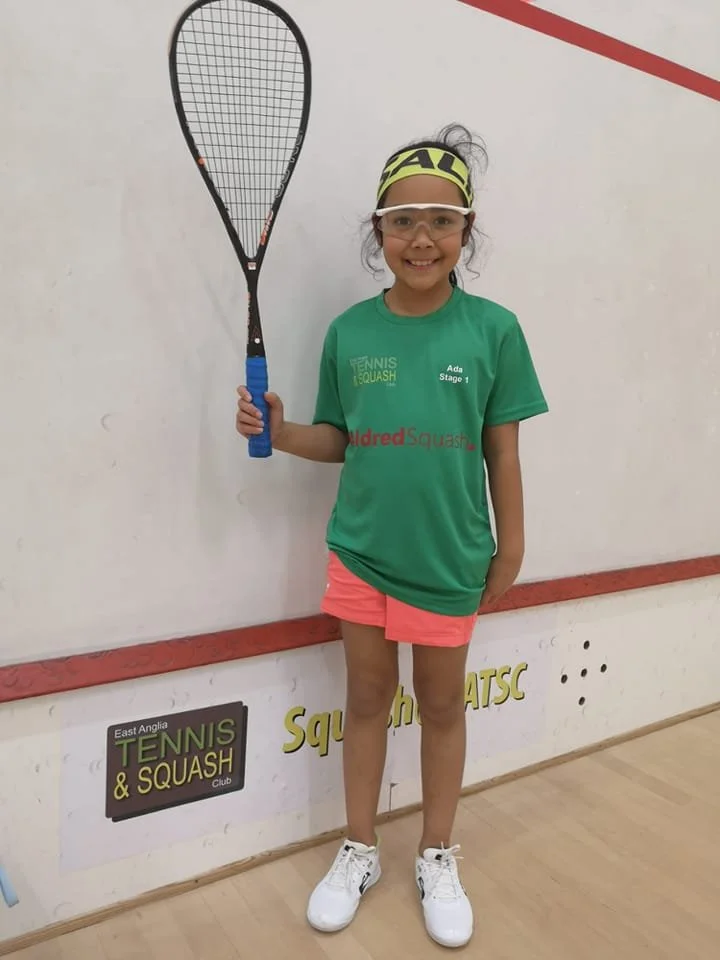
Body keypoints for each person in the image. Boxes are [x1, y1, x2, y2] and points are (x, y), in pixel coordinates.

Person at [236, 123, 548, 949]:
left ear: (466, 232)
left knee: (443, 706)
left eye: (441, 220)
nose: (421, 237)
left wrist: (509, 548)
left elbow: (502, 450)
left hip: (450, 558)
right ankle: (360, 847)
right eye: (403, 218)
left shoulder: (495, 331)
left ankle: (438, 852)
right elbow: (341, 440)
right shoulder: (350, 332)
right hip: (360, 553)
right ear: (378, 231)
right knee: (367, 700)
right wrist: (281, 429)